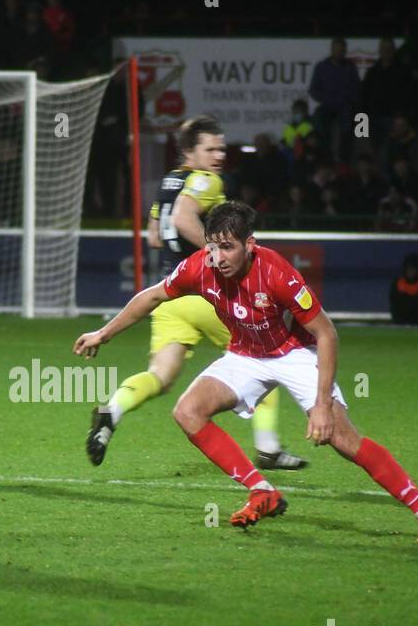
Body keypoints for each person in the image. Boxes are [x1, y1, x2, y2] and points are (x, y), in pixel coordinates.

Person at [74, 201, 418, 541]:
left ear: (249, 244)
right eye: (212, 247)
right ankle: (263, 491)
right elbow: (151, 297)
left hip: (293, 353)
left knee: (343, 440)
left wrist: (320, 404)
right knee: (188, 411)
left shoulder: (278, 274)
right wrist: (103, 333)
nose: (218, 257)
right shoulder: (199, 269)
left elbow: (326, 333)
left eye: (227, 247)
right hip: (245, 355)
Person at [86, 116, 306, 471]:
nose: (219, 155)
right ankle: (268, 448)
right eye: (210, 148)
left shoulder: (169, 182)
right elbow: (183, 219)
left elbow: (155, 234)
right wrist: (218, 251)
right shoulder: (207, 180)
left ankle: (113, 411)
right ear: (190, 151)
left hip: (170, 295)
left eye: (221, 147)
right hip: (205, 293)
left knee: (160, 376)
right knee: (265, 359)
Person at [389, 255, 418, 324]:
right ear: (405, 269)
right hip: (399, 321)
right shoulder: (397, 283)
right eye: (409, 269)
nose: (411, 272)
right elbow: (394, 303)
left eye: (414, 269)